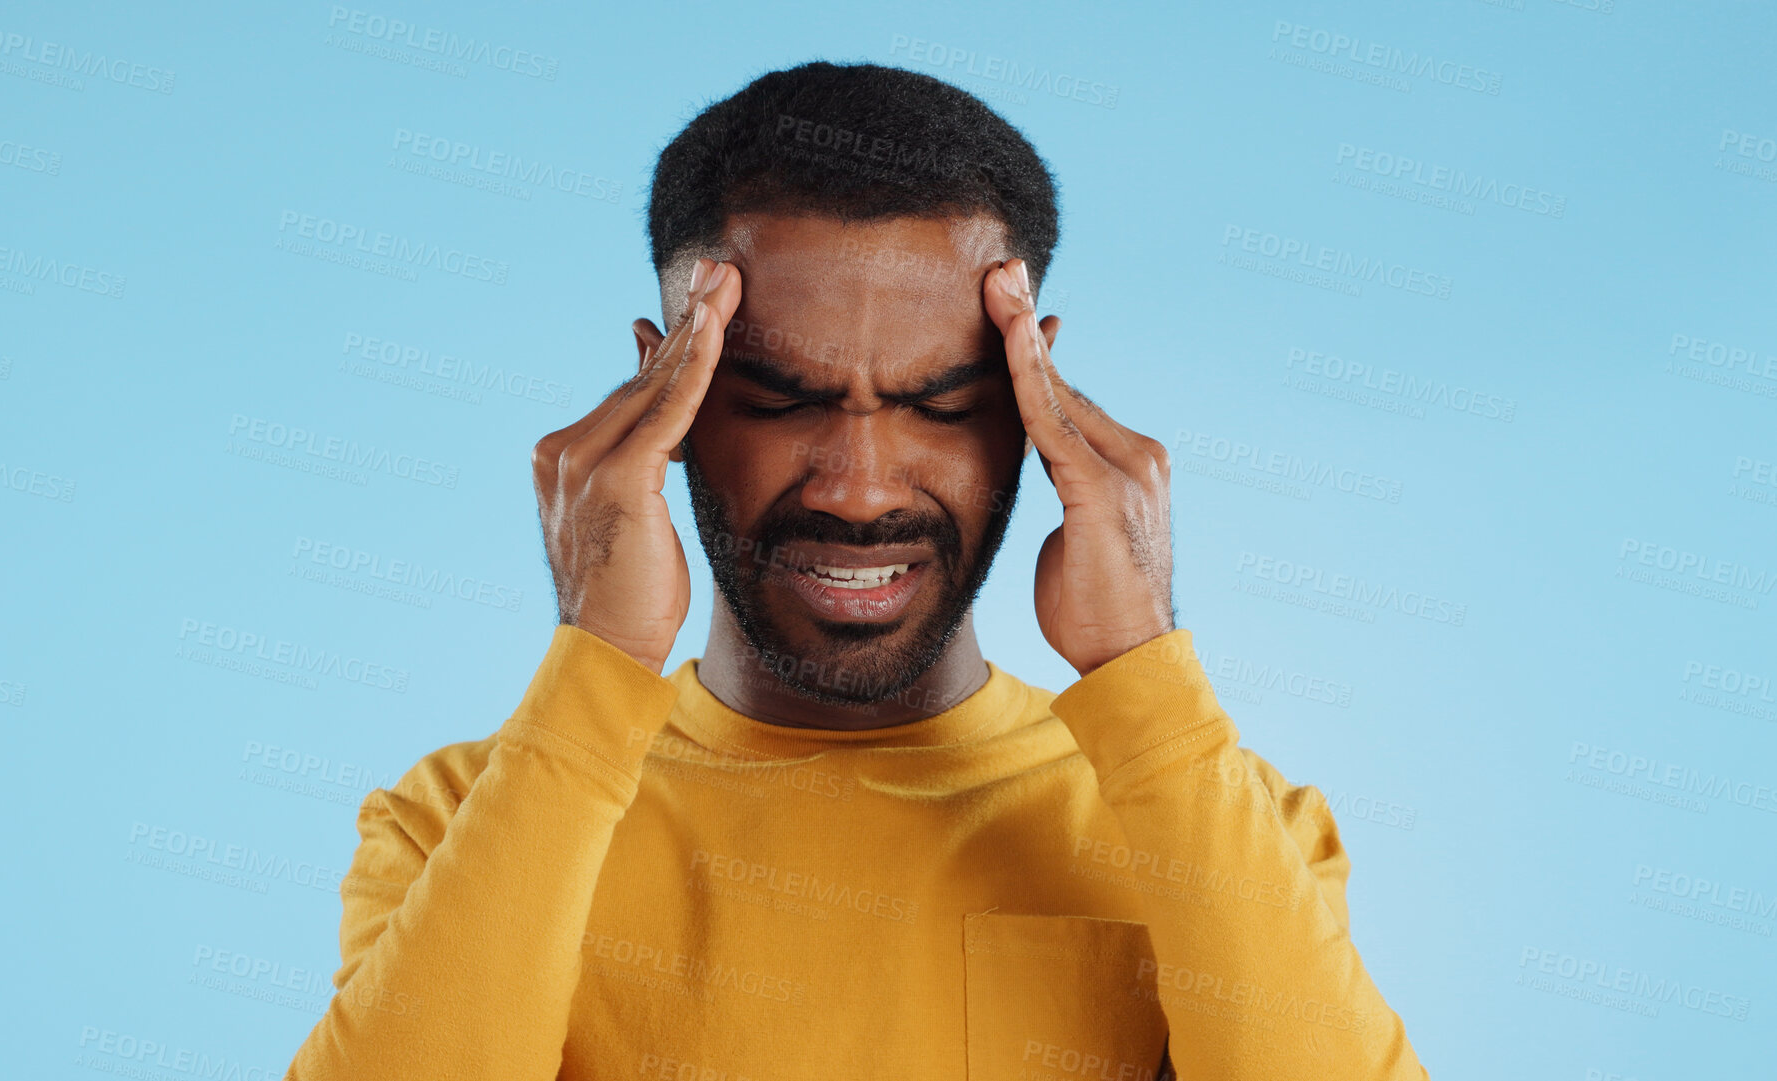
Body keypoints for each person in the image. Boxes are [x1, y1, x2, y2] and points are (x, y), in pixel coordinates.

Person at [284, 61, 1428, 1080]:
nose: (859, 486)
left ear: (1037, 403)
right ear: (659, 399)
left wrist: (1141, 670)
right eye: (780, 399)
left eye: (941, 403)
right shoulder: (456, 823)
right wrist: (598, 658)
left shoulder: (1229, 826)